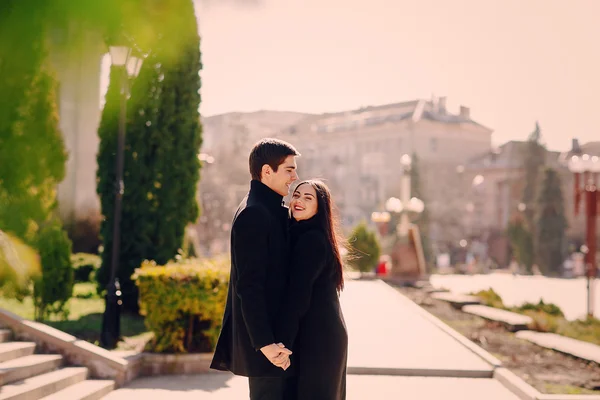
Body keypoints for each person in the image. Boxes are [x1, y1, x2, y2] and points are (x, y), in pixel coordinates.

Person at [210, 138, 300, 400]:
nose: (295, 176)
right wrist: (266, 344)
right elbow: (248, 286)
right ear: (266, 171)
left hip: (277, 342)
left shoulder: (269, 208)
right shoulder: (255, 213)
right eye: (289, 169)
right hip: (269, 347)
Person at [275, 180, 348, 400]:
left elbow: (298, 296)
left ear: (320, 207)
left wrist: (282, 344)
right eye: (296, 195)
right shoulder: (300, 233)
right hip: (315, 334)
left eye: (308, 198)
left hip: (319, 339)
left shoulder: (312, 240)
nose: (299, 201)